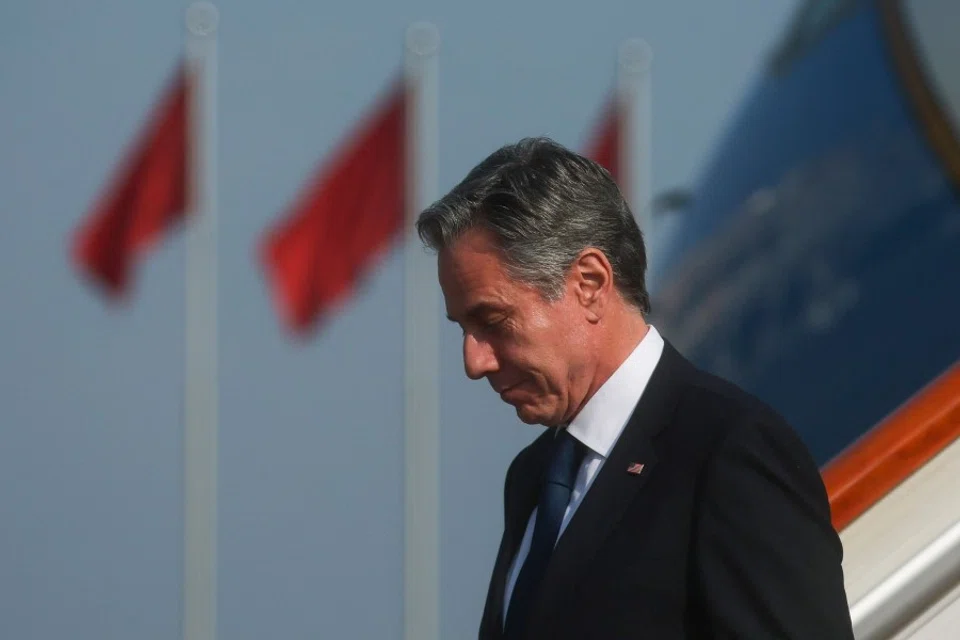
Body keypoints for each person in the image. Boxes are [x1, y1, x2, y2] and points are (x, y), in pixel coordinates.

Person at [415, 137, 855, 639]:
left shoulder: (729, 454)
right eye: (463, 329)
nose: (474, 360)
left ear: (589, 283)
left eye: (492, 320)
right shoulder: (533, 479)